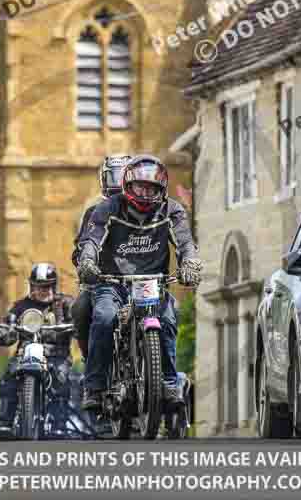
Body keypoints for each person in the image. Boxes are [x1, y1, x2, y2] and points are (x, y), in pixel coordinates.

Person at [77, 154, 202, 411]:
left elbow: (185, 243)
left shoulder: (172, 210)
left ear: (161, 189)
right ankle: (95, 386)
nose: (145, 193)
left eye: (151, 188)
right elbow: (92, 239)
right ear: (127, 185)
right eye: (139, 186)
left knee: (168, 318)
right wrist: (88, 262)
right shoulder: (108, 207)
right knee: (104, 317)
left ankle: (168, 382)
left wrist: (190, 263)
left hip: (153, 283)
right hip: (112, 282)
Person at [0, 263, 74, 437]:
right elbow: (9, 327)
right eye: (38, 286)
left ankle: (59, 423)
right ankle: (5, 422)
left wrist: (79, 327)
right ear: (32, 285)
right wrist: (2, 331)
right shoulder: (21, 306)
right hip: (25, 353)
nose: (42, 290)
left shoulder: (65, 303)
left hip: (56, 354)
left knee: (61, 377)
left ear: (54, 285)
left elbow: (79, 320)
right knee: (9, 375)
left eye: (47, 286)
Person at [71, 155, 132, 359]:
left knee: (169, 311)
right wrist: (86, 264)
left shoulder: (147, 211)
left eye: (123, 176)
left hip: (139, 282)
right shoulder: (93, 212)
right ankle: (92, 364)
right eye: (113, 176)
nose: (118, 183)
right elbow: (82, 246)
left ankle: (163, 377)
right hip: (103, 280)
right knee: (80, 309)